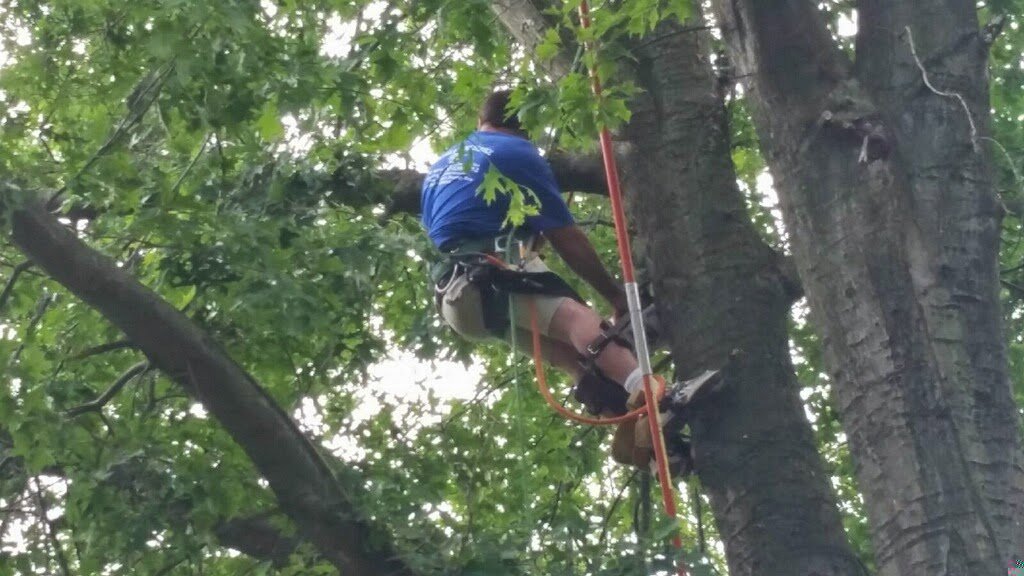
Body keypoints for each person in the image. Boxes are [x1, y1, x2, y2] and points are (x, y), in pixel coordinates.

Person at [422, 89, 655, 467]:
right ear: (523, 126)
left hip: (455, 297)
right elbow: (567, 239)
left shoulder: (443, 166)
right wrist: (615, 296)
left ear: (483, 120)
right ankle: (644, 389)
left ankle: (630, 426)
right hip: (494, 269)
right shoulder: (516, 153)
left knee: (573, 359)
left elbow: (455, 222)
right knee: (581, 321)